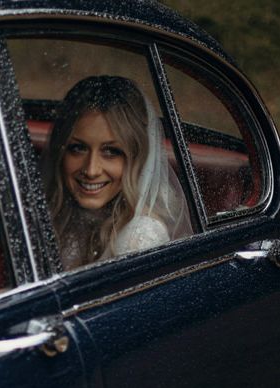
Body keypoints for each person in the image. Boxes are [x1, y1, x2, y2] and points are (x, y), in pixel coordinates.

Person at [41, 75, 191, 270]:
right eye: (78, 148)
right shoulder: (58, 213)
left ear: (136, 157)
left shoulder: (139, 237)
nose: (91, 170)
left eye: (111, 152)